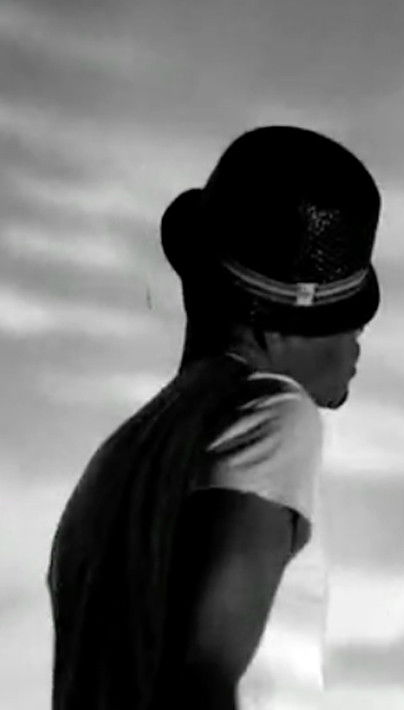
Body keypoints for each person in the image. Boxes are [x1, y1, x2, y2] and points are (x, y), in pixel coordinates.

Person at [46, 125, 381, 709]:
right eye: (345, 315)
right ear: (277, 324)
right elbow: (203, 677)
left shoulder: (115, 464)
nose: (358, 336)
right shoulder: (271, 417)